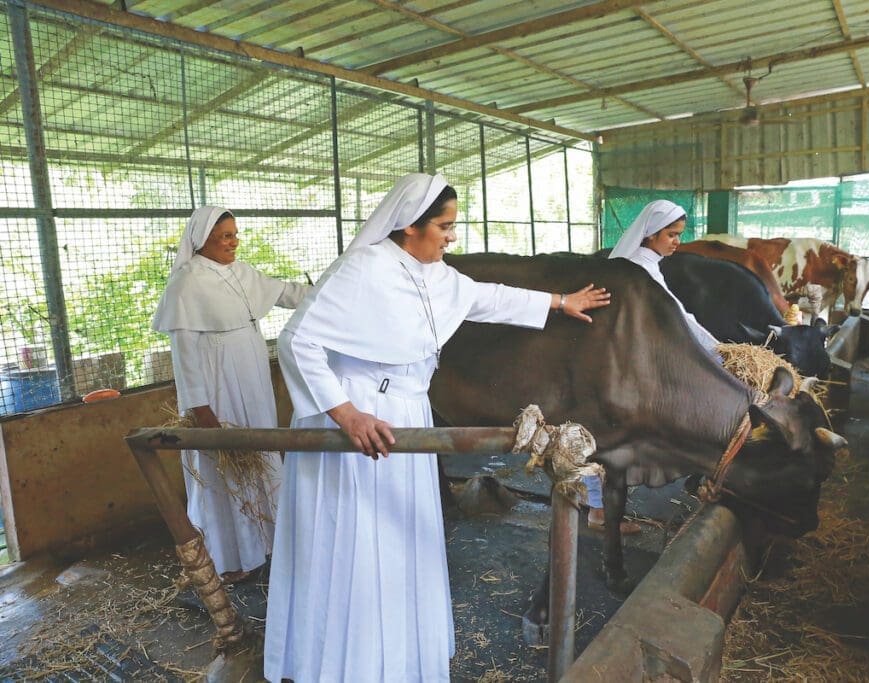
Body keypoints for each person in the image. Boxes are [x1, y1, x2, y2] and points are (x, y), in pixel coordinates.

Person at [263, 173, 611, 682]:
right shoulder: (362, 269)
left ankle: (400, 654)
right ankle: (345, 661)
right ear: (409, 226)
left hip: (409, 413)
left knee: (402, 534)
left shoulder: (439, 276)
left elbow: (491, 297)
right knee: (359, 541)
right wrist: (347, 414)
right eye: (445, 226)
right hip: (361, 419)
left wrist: (560, 302)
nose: (452, 236)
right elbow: (297, 342)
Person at [152, 206, 310, 584]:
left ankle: (270, 541)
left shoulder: (241, 272)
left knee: (261, 451)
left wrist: (334, 292)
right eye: (225, 236)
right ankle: (233, 556)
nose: (233, 241)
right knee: (226, 465)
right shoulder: (186, 284)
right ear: (201, 239)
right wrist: (200, 408)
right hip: (217, 385)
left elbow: (287, 293)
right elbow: (185, 356)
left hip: (251, 378)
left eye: (235, 234)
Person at [583, 200, 722, 534]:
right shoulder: (640, 268)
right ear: (650, 234)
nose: (677, 242)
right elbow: (676, 315)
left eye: (678, 235)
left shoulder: (644, 263)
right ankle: (600, 512)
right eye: (671, 235)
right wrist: (717, 350)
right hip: (625, 363)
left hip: (621, 357)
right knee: (611, 434)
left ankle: (593, 503)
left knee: (600, 432)